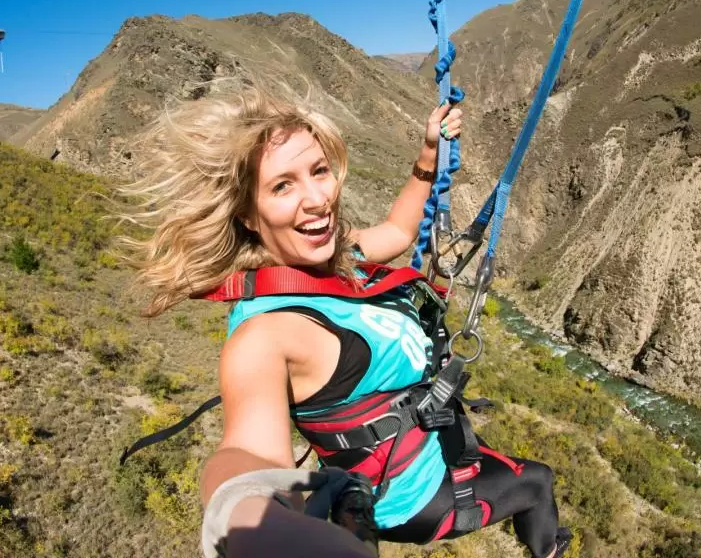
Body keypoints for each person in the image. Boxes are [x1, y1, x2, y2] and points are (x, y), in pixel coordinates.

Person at [117, 79, 570, 558]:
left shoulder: (327, 258)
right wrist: (254, 524)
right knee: (538, 483)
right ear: (248, 214)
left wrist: (427, 156)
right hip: (411, 499)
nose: (317, 199)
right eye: (282, 185)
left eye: (319, 170)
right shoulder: (264, 337)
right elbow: (247, 455)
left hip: (427, 451)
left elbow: (396, 232)